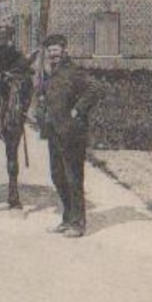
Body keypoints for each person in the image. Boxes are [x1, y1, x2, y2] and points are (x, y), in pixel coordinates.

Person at [38, 33, 105, 238]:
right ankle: (67, 219)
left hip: (72, 133)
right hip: (54, 132)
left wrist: (78, 110)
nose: (53, 54)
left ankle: (78, 223)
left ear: (64, 50)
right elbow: (45, 95)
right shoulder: (51, 73)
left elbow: (95, 88)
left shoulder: (74, 72)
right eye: (50, 51)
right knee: (57, 176)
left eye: (56, 50)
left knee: (73, 178)